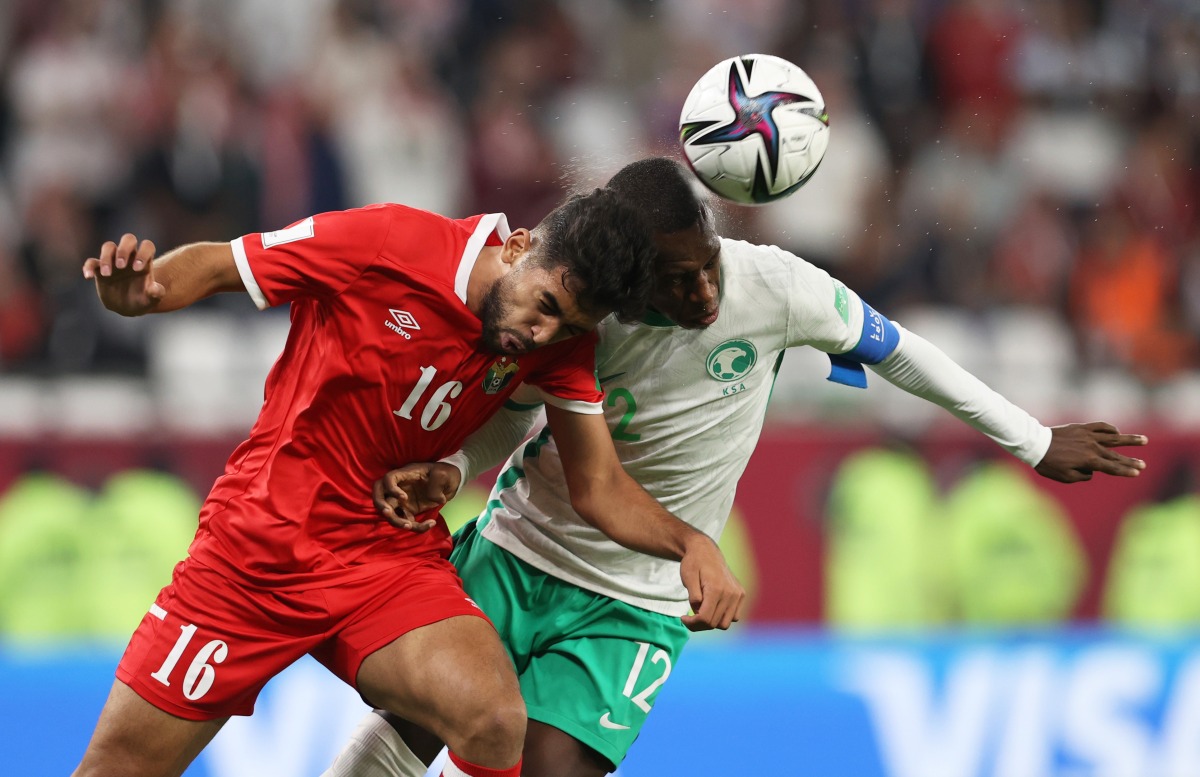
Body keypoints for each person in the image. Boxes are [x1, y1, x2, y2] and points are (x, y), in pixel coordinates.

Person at [322, 157, 1150, 777]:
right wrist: (453, 464)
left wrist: (1032, 439)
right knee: (413, 725)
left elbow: (902, 354)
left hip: (633, 603)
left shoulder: (776, 288)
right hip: (520, 545)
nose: (707, 294)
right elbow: (506, 412)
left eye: (709, 264)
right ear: (632, 284)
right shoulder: (588, 321)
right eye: (680, 282)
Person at [73, 188, 745, 777]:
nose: (540, 333)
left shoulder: (562, 345)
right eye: (545, 305)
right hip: (257, 552)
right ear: (516, 247)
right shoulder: (388, 241)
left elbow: (597, 484)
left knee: (493, 718)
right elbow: (221, 265)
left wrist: (690, 543)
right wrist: (146, 291)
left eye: (567, 326)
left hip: (385, 561)